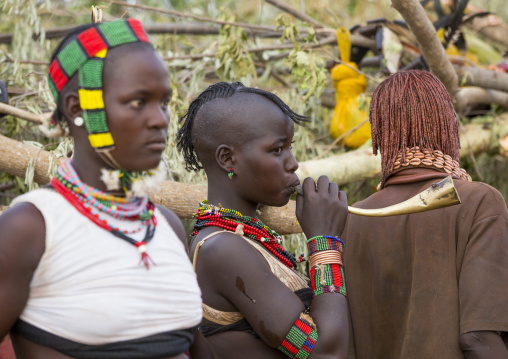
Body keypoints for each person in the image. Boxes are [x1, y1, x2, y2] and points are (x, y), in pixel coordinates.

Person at [0, 20, 210, 359]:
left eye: (164, 102)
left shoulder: (165, 226)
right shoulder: (33, 228)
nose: (160, 120)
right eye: (138, 102)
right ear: (77, 108)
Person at [176, 82, 349, 359]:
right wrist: (324, 241)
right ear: (228, 158)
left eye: (289, 148)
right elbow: (325, 353)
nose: (293, 163)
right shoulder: (223, 250)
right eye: (277, 150)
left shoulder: (244, 238)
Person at [342, 70, 508, 359]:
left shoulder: (351, 219)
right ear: (447, 124)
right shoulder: (478, 202)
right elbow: (478, 339)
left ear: (380, 133)